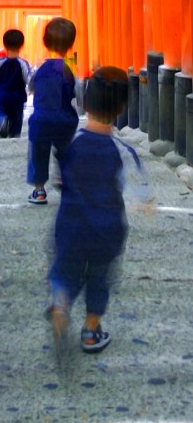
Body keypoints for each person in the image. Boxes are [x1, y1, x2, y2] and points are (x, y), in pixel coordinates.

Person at [46, 66, 153, 354]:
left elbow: (59, 181)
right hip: (107, 232)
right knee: (99, 280)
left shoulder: (70, 146)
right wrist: (146, 203)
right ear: (121, 108)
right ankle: (91, 331)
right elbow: (139, 191)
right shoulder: (122, 151)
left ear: (84, 103)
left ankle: (61, 303)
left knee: (65, 270)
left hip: (70, 227)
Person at [27, 17, 78, 204]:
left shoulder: (41, 68)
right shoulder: (70, 66)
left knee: (38, 155)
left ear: (45, 42)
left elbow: (31, 87)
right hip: (65, 120)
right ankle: (64, 179)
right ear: (71, 43)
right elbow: (77, 91)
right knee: (65, 152)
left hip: (41, 120)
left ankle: (39, 191)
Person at [0, 29, 31, 138]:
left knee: (1, 111)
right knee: (17, 116)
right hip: (18, 96)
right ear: (21, 45)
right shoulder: (23, 63)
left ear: (4, 44)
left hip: (1, 94)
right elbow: (28, 78)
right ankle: (14, 133)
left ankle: (2, 119)